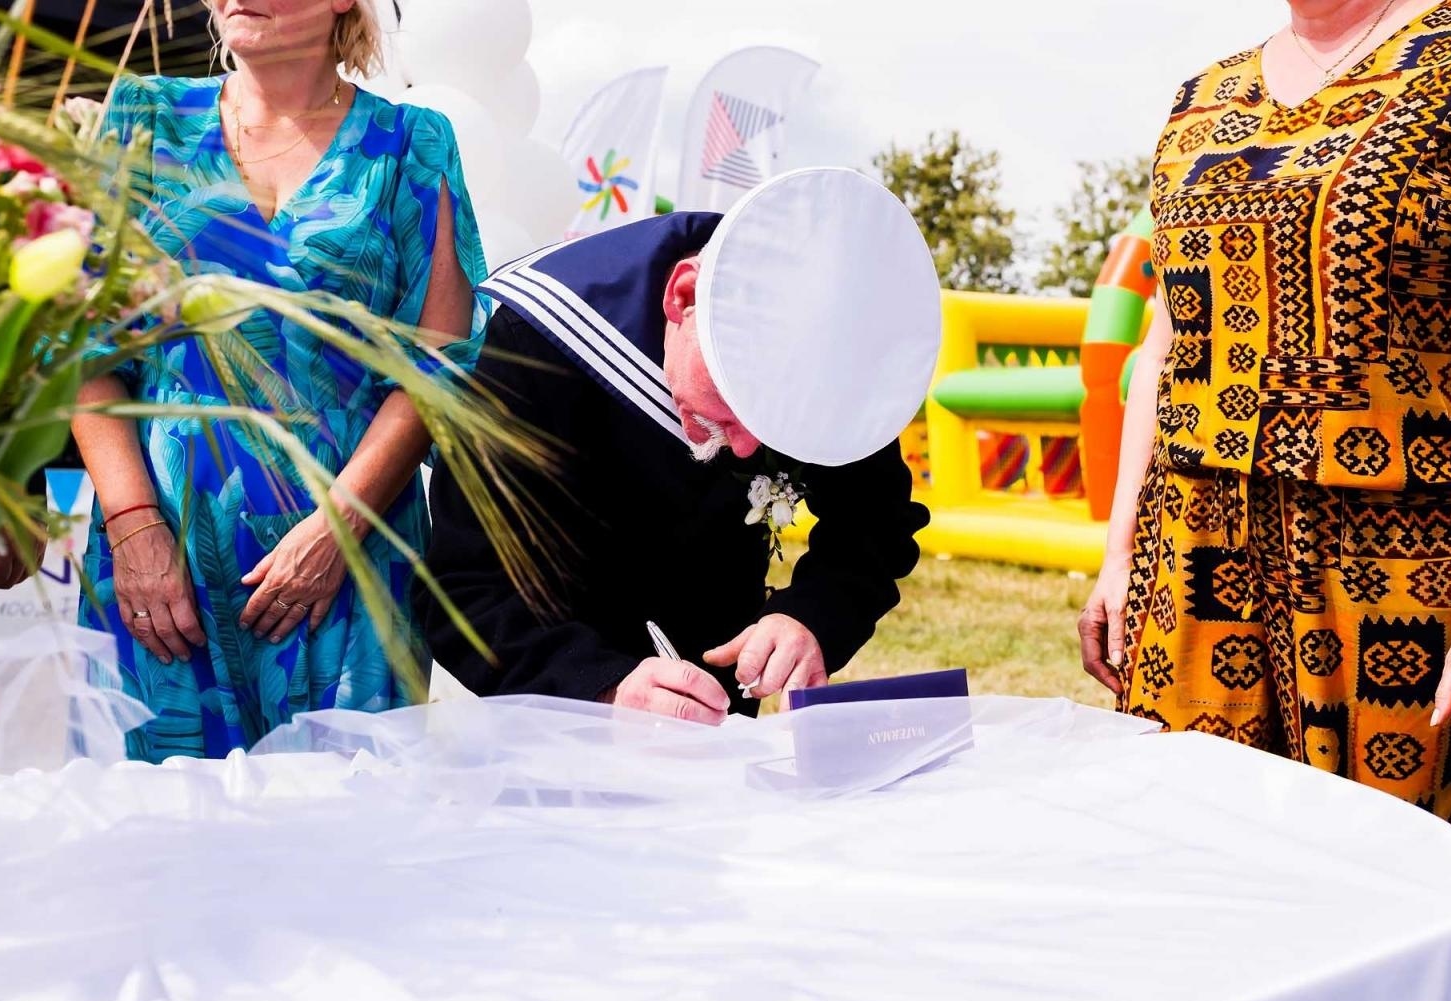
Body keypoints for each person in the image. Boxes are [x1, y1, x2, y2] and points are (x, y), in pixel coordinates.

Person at [1078, 0, 1451, 834]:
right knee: (1176, 856)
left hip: (1393, 573)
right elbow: (1163, 347)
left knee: (1374, 876)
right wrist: (1120, 555)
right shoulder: (1203, 99)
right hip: (1189, 558)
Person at [72, 0, 492, 760]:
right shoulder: (142, 122)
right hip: (157, 574)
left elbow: (433, 365)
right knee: (154, 853)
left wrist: (339, 528)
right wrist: (132, 525)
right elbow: (85, 351)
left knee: (337, 852)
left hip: (349, 567)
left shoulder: (410, 145)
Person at [419, 168, 940, 723]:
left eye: (777, 428)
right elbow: (464, 585)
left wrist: (810, 617)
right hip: (555, 725)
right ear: (682, 294)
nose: (745, 450)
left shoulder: (830, 346)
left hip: (722, 728)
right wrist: (600, 687)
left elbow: (875, 526)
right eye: (735, 402)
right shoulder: (539, 344)